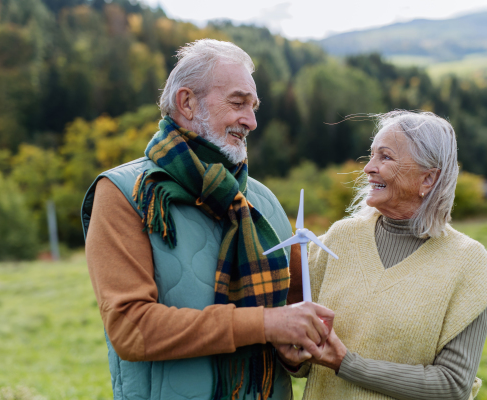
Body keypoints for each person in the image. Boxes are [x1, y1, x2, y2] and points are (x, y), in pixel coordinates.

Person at [81, 39, 333, 400]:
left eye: (254, 106)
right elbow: (131, 329)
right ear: (187, 102)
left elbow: (293, 315)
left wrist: (298, 350)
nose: (252, 121)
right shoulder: (124, 194)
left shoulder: (264, 201)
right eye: (238, 102)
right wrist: (265, 325)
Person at [276, 111, 487, 400]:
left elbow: (452, 386)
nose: (368, 168)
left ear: (428, 179)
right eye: (371, 155)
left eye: (385, 157)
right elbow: (305, 364)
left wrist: (347, 364)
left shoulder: (470, 266)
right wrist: (292, 353)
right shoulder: (338, 238)